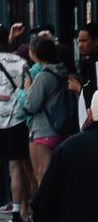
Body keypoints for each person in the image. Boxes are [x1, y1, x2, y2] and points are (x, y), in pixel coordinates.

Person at [0, 26, 33, 222]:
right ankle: (17, 213)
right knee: (15, 169)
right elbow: (27, 89)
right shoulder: (21, 62)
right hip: (17, 120)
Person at [26, 32, 82, 185]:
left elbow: (30, 105)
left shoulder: (43, 76)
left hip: (44, 130)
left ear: (36, 53)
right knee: (60, 175)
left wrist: (26, 90)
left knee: (43, 175)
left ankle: (48, 208)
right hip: (62, 128)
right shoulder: (64, 72)